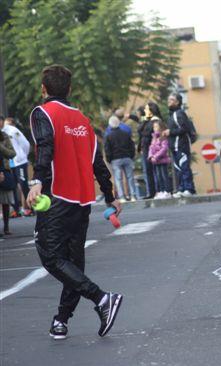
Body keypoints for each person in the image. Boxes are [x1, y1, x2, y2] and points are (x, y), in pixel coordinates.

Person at [26, 64, 123, 340]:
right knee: (73, 263)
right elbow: (97, 163)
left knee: (51, 257)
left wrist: (37, 181)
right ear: (69, 89)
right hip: (81, 201)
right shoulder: (83, 120)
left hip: (56, 197)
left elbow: (45, 148)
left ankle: (102, 298)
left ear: (43, 89)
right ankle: (61, 319)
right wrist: (111, 196)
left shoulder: (43, 113)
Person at [163, 93, 196, 197]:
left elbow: (184, 128)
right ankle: (181, 188)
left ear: (177, 102)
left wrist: (170, 132)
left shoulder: (180, 113)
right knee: (178, 169)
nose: (169, 101)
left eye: (171, 100)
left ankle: (189, 189)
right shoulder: (171, 115)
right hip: (174, 146)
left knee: (184, 167)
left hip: (182, 145)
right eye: (168, 99)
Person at [1, 115, 32, 216]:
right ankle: (16, 210)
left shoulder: (12, 130)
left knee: (23, 185)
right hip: (9, 164)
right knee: (12, 186)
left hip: (20, 162)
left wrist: (22, 156)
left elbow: (25, 144)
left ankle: (30, 208)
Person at [105, 116, 139, 202]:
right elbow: (131, 145)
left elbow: (107, 149)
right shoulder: (126, 134)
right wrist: (131, 156)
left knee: (118, 179)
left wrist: (109, 159)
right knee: (130, 177)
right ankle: (133, 196)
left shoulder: (109, 136)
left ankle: (122, 197)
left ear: (110, 125)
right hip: (127, 157)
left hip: (115, 159)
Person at [138, 103, 163, 199]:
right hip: (145, 148)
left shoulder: (156, 120)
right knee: (147, 170)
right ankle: (150, 192)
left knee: (154, 170)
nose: (145, 111)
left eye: (146, 109)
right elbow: (140, 130)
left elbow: (147, 132)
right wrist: (145, 120)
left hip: (153, 148)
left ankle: (158, 190)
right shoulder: (146, 120)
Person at [149, 121, 172, 199]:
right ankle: (161, 191)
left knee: (164, 176)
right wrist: (151, 156)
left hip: (162, 160)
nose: (154, 128)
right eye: (154, 127)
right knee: (158, 177)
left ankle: (167, 191)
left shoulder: (163, 137)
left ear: (160, 127)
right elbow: (151, 148)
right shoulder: (154, 138)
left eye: (156, 126)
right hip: (156, 161)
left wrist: (156, 156)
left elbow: (164, 149)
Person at [0, 129, 16, 236]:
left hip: (4, 170)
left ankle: (6, 227)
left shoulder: (4, 136)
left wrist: (1, 147)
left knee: (5, 201)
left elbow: (12, 153)